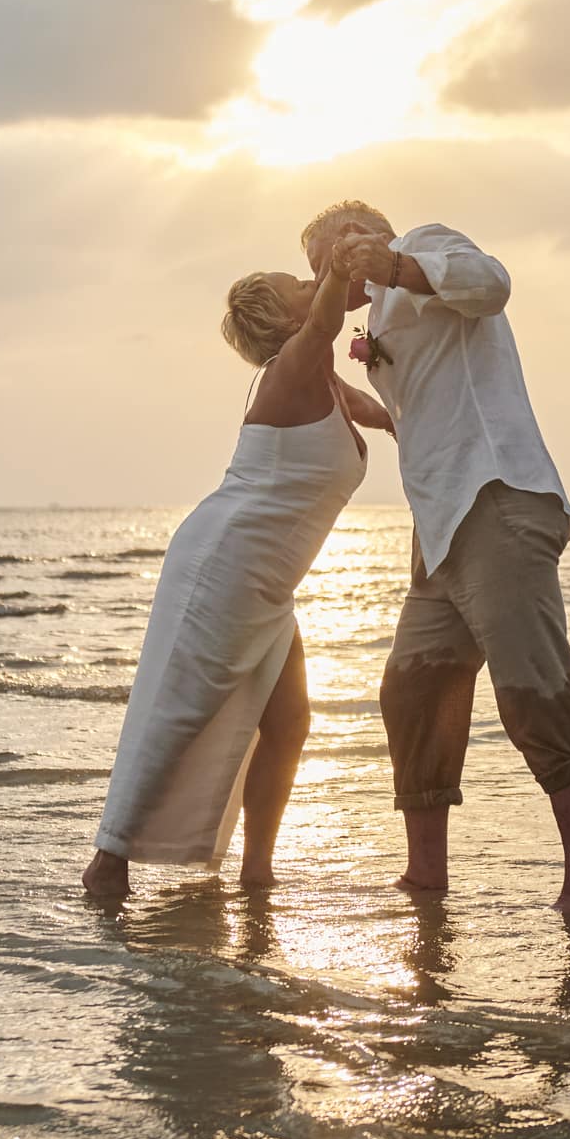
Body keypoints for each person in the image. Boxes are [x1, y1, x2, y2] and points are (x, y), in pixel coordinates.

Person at [302, 200, 570, 914]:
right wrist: (354, 399)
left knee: (534, 692)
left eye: (341, 251)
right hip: (438, 532)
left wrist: (398, 264)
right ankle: (425, 876)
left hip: (495, 497)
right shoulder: (377, 315)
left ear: (368, 234)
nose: (336, 271)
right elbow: (418, 407)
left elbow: (492, 283)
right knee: (411, 690)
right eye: (325, 265)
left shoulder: (426, 248)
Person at [84, 245, 392, 898]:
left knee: (288, 722)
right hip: (224, 563)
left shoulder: (325, 383)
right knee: (178, 707)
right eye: (300, 285)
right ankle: (108, 862)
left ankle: (258, 872)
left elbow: (375, 412)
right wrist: (337, 265)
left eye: (314, 278)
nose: (314, 285)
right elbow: (328, 323)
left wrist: (412, 422)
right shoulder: (294, 365)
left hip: (266, 581)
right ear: (284, 322)